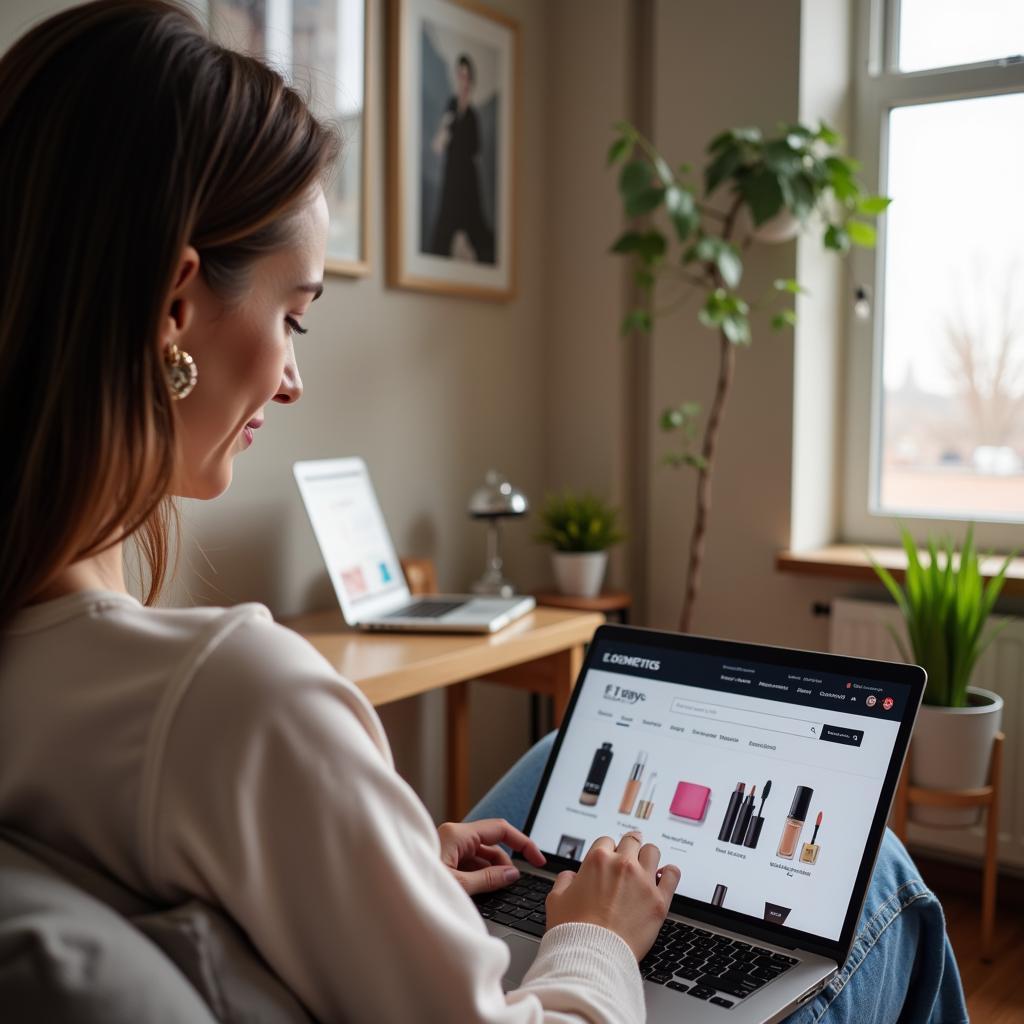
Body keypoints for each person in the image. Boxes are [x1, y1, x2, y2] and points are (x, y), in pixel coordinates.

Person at [0, 3, 968, 1023]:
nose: (292, 377)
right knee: (883, 886)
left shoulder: (48, 666)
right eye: (293, 315)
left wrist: (395, 851)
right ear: (174, 305)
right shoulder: (232, 698)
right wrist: (592, 935)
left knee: (560, 764)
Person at [427, 53, 496, 263]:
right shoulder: (451, 108)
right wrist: (446, 127)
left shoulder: (473, 115)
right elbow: (438, 145)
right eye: (460, 76)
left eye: (467, 76)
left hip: (468, 179)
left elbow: (476, 150)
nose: (463, 81)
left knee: (475, 225)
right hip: (452, 177)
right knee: (446, 224)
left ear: (471, 80)